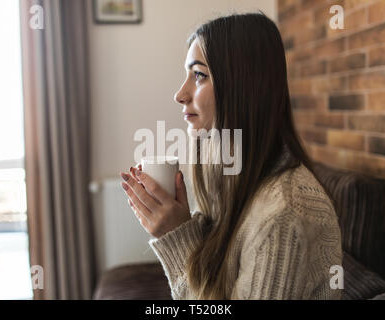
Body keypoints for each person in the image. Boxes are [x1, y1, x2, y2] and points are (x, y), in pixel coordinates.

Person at [119, 11, 343, 300]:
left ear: (244, 85)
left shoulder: (285, 214)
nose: (179, 94)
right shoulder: (234, 177)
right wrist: (183, 224)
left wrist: (174, 238)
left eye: (198, 75)